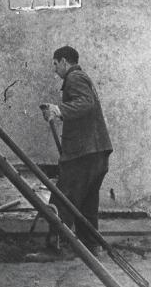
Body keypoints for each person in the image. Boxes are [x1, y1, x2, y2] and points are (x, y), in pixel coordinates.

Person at [41, 45, 113, 256]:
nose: (55, 70)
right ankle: (91, 247)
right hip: (96, 152)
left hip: (84, 153)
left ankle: (55, 249)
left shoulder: (74, 77)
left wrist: (58, 110)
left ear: (64, 61)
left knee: (63, 200)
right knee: (87, 204)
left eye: (55, 64)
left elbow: (86, 103)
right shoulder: (81, 77)